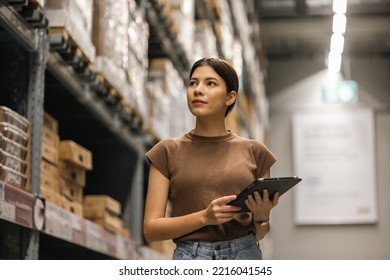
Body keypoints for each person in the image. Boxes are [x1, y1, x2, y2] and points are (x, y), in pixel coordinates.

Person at [143, 57, 279, 260]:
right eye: (193, 83)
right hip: (191, 258)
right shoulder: (167, 151)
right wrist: (204, 217)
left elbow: (259, 232)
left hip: (244, 255)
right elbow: (151, 229)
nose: (198, 90)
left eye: (210, 83)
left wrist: (261, 217)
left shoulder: (256, 152)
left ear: (230, 97)